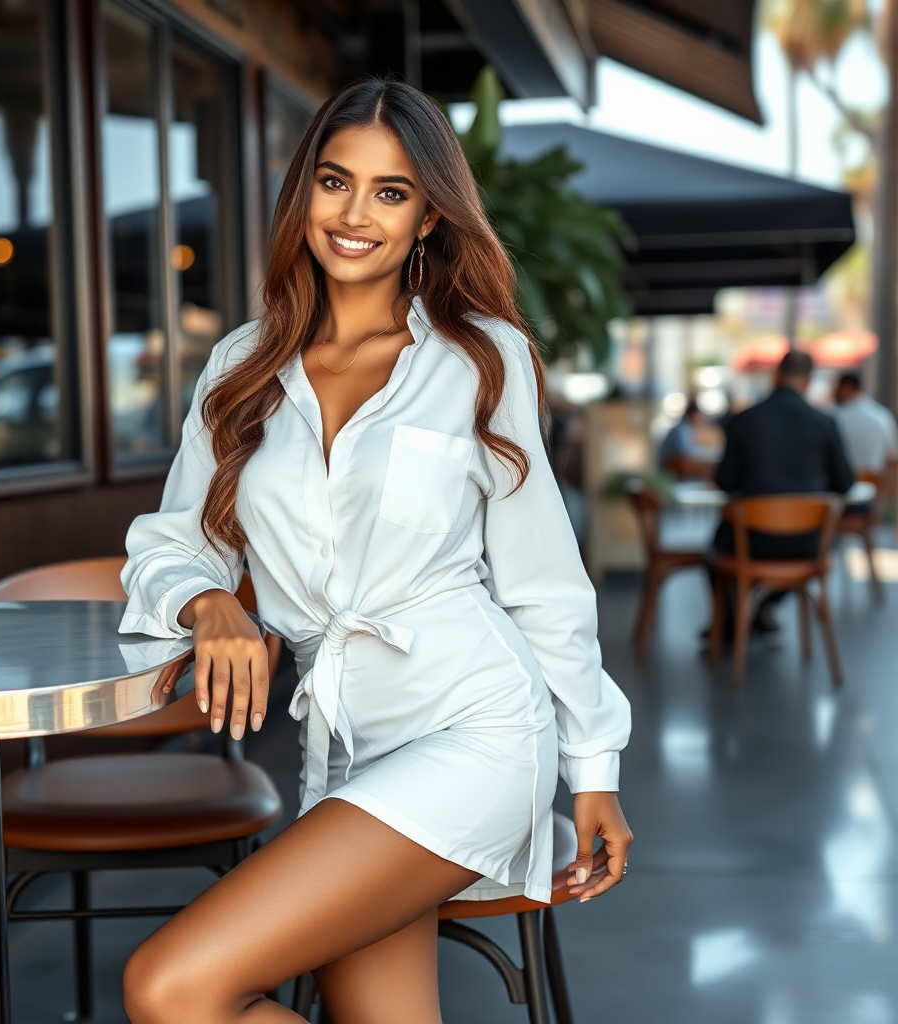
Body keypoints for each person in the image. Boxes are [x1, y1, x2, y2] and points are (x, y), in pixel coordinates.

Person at [117, 78, 632, 1024]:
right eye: (334, 182)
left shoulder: (483, 358)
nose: (355, 215)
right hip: (344, 749)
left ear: (430, 215)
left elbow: (542, 579)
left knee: (172, 987)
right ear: (302, 194)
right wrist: (211, 603)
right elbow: (166, 543)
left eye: (390, 193)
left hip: (474, 727)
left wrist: (592, 765)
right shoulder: (240, 367)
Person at [712, 349, 853, 630]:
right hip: (807, 544)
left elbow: (725, 481)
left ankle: (729, 624)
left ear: (776, 376)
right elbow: (845, 483)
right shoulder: (825, 422)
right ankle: (762, 608)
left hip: (750, 542)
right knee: (791, 562)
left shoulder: (743, 420)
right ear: (809, 380)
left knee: (714, 554)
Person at [833, 371, 898, 474]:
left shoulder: (834, 415)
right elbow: (893, 455)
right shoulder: (883, 415)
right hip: (875, 483)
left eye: (835, 387)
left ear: (846, 387)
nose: (833, 392)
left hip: (839, 482)